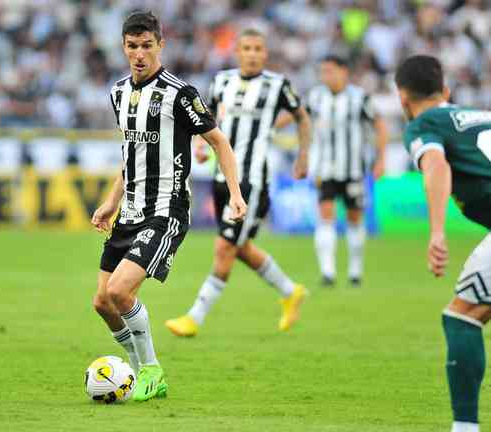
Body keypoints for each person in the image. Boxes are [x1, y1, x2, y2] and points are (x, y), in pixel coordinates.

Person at [90, 11, 247, 402]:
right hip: (129, 210)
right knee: (102, 302)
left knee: (121, 291)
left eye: (147, 46)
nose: (139, 54)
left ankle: (151, 371)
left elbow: (219, 143)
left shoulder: (181, 93)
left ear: (161, 45)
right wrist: (111, 200)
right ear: (123, 47)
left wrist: (236, 192)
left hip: (166, 210)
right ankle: (138, 369)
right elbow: (132, 153)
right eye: (132, 46)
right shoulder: (118, 92)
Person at [164, 28, 311, 337]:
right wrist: (202, 145)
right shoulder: (222, 81)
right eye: (247, 47)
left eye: (258, 48)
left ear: (266, 53)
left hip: (252, 181)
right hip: (223, 178)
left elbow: (302, 116)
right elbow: (208, 118)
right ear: (237, 52)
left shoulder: (277, 85)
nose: (253, 53)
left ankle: (195, 317)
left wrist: (302, 157)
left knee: (224, 248)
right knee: (239, 247)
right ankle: (290, 291)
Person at [395, 54, 491, 432]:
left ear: (403, 97)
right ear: (446, 90)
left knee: (463, 317)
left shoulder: (426, 122)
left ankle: (464, 428)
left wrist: (437, 231)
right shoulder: (483, 115)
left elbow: (435, 165)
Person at [303, 55, 387, 287]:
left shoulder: (359, 98)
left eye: (329, 71)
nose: (325, 76)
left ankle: (355, 271)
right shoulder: (316, 97)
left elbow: (379, 125)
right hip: (324, 168)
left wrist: (381, 159)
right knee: (326, 214)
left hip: (353, 169)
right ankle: (328, 273)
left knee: (354, 217)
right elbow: (299, 117)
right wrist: (270, 126)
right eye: (322, 71)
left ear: (343, 72)